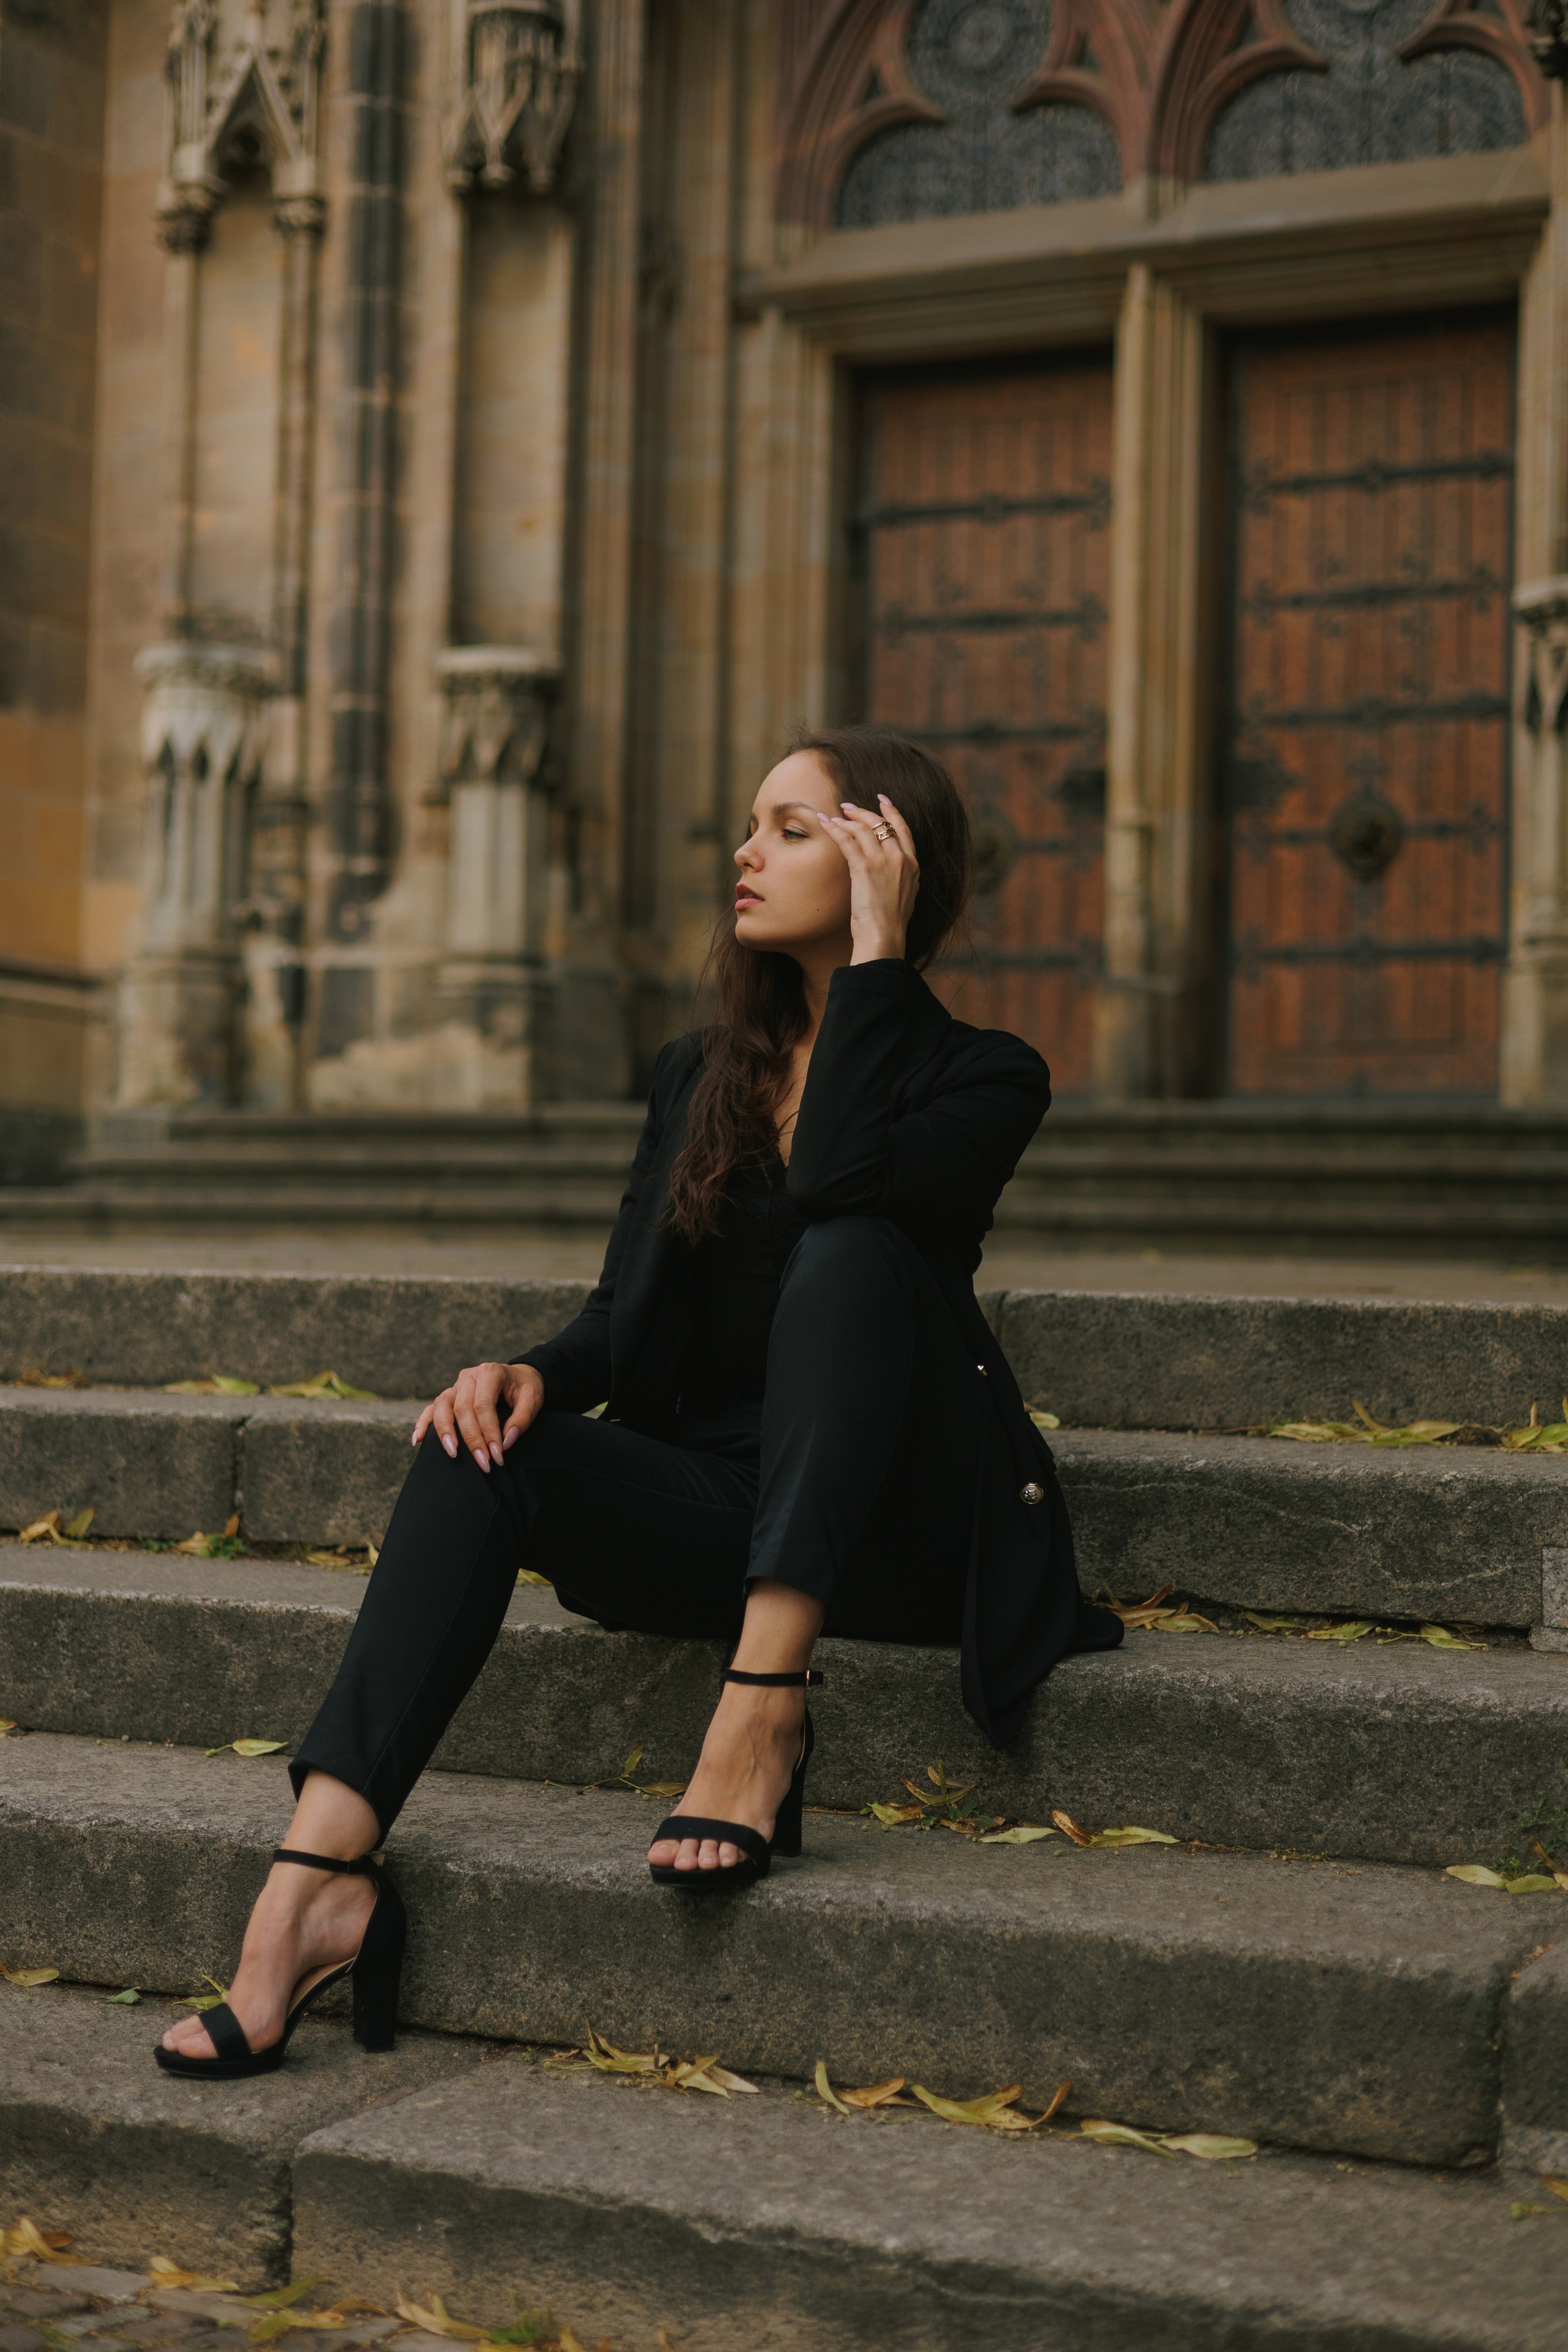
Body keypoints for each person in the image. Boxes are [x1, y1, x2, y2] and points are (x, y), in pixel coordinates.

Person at [154, 724, 1123, 2079]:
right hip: (722, 1504)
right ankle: (314, 1882)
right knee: (474, 1444)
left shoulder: (982, 1073)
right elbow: (623, 1316)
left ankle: (762, 1712)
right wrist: (532, 1373)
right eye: (750, 824)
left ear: (882, 856)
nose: (745, 851)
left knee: (848, 1251)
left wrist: (878, 963)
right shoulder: (697, 1073)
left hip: (897, 1531)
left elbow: (845, 1187)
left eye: (792, 828)